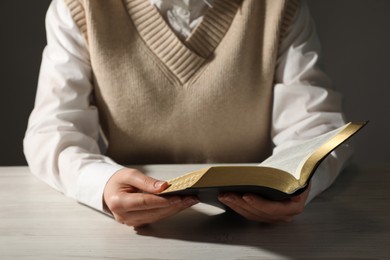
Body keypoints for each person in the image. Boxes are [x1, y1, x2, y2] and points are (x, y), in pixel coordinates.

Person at [24, 0, 352, 227]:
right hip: (135, 230)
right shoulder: (79, 7)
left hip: (251, 224)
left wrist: (300, 186)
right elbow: (52, 131)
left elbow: (317, 128)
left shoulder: (279, 8)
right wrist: (102, 185)